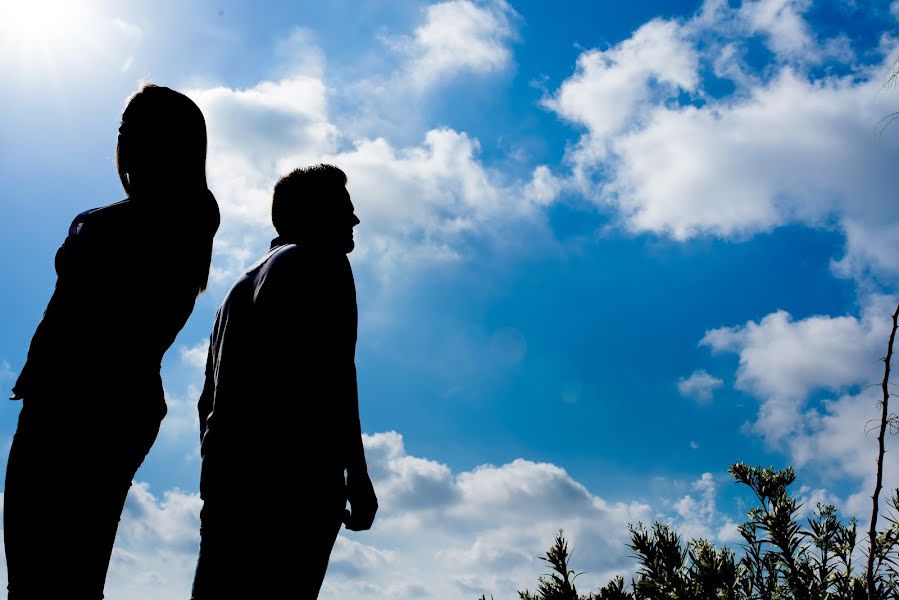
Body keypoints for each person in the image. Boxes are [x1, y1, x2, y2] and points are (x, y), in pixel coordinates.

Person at [4, 83, 220, 600]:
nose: (123, 135)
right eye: (123, 125)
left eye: (136, 125)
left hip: (96, 399)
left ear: (171, 139)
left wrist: (83, 230)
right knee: (41, 572)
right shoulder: (137, 215)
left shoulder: (183, 211)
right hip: (69, 395)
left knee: (59, 574)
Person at [191, 164, 377, 600]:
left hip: (228, 484)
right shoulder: (323, 260)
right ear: (313, 213)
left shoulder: (237, 289)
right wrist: (358, 474)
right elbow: (336, 372)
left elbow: (206, 401)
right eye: (344, 209)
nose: (355, 220)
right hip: (295, 484)